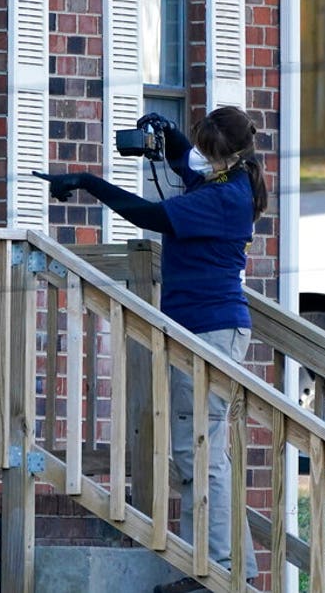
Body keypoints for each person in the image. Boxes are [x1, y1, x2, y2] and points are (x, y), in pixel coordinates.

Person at [36, 106, 266, 593]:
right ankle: (236, 569)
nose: (198, 160)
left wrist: (86, 181)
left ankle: (212, 573)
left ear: (224, 158)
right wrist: (171, 133)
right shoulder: (225, 182)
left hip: (210, 334)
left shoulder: (224, 198)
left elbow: (149, 214)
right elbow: (186, 166)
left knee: (196, 453)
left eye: (207, 152)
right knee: (209, 454)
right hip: (205, 332)